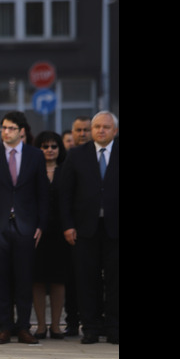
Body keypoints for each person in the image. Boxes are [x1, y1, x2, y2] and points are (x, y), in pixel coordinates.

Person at [0, 111, 49, 345]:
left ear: (22, 131)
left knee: (25, 277)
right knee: (0, 277)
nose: (6, 132)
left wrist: (41, 225)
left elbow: (43, 193)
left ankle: (24, 327)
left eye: (11, 128)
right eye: (3, 128)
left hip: (26, 226)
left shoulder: (35, 156)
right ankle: (4, 327)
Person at [59, 111, 119, 344]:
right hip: (84, 229)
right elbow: (65, 194)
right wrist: (68, 225)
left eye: (106, 127)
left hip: (115, 228)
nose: (100, 131)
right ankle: (91, 328)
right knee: (87, 280)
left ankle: (114, 327)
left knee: (115, 281)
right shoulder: (76, 155)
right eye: (96, 127)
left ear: (114, 130)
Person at [31, 131, 68, 340]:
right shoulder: (32, 170)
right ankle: (41, 326)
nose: (50, 150)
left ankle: (55, 326)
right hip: (37, 232)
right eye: (45, 146)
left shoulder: (66, 170)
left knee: (58, 280)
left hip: (60, 232)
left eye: (54, 146)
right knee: (37, 280)